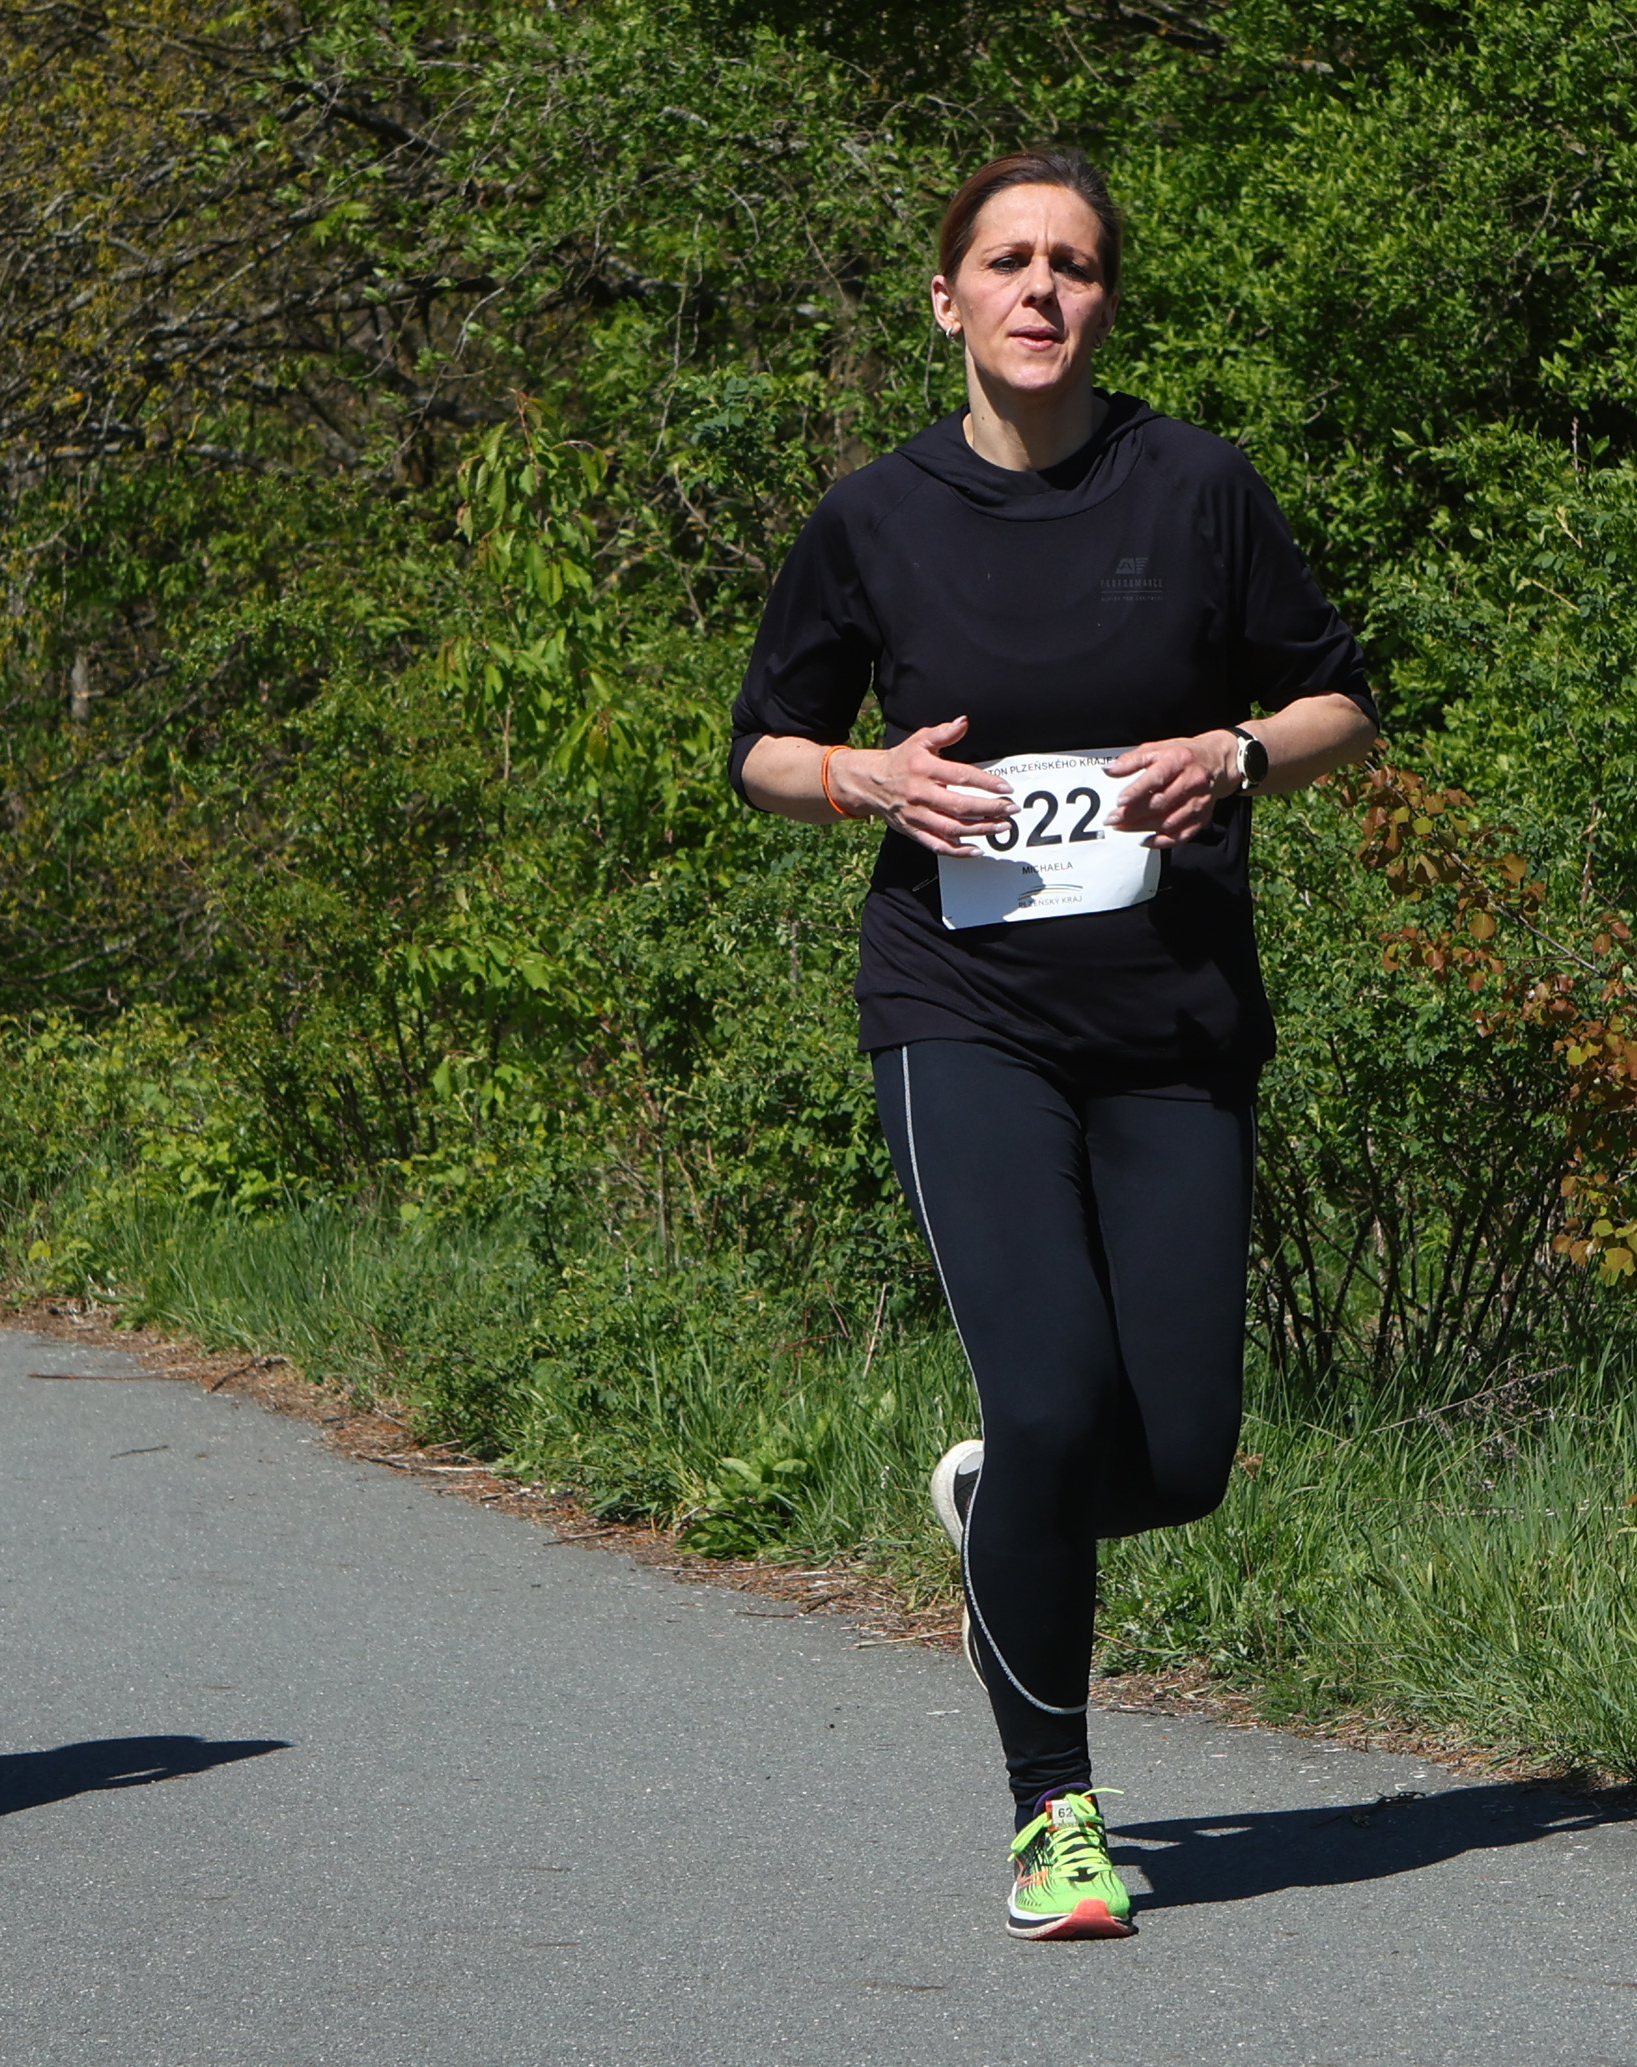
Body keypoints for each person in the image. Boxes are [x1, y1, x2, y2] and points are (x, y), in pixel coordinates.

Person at [727, 149, 1379, 1939]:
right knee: (1046, 1398)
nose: (1040, 289)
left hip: (1173, 1017)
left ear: (1106, 301)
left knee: (1175, 1455)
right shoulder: (874, 517)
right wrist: (865, 775)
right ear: (947, 298)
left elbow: (1342, 700)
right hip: (965, 1012)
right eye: (1007, 261)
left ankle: (999, 1505)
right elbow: (764, 747)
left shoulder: (1199, 487)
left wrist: (1238, 753)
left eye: (1072, 264)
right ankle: (1054, 1808)